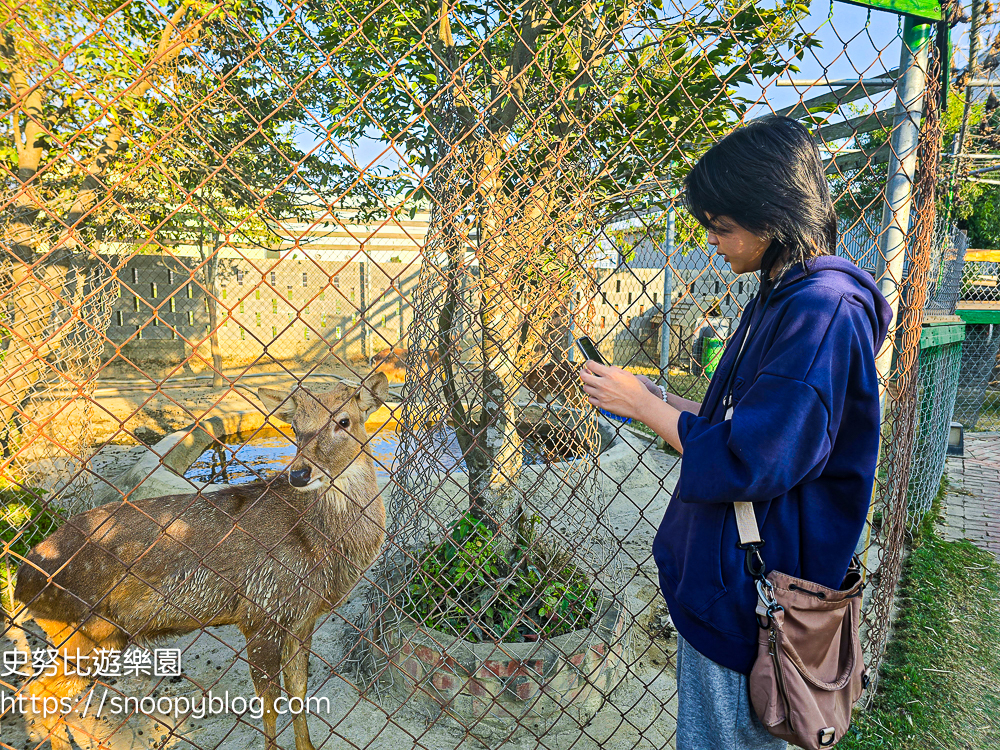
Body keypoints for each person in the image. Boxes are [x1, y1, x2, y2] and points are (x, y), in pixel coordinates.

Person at [579, 116, 892, 750]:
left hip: (758, 587)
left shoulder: (819, 309)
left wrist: (643, 406)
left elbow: (756, 454)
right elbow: (756, 420)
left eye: (722, 228)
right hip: (742, 569)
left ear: (773, 217)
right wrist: (661, 399)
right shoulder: (782, 292)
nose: (714, 243)